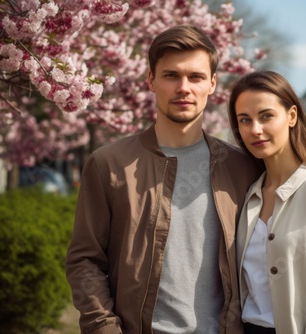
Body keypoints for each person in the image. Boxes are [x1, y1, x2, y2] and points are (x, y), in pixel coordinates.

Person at [65, 25, 261, 334]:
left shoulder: (242, 168)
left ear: (212, 85)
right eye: (171, 76)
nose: (184, 88)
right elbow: (85, 260)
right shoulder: (109, 164)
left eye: (195, 77)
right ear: (151, 81)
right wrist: (104, 328)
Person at [228, 71, 306, 334]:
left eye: (266, 116)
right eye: (245, 120)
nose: (255, 129)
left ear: (291, 116)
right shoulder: (247, 195)